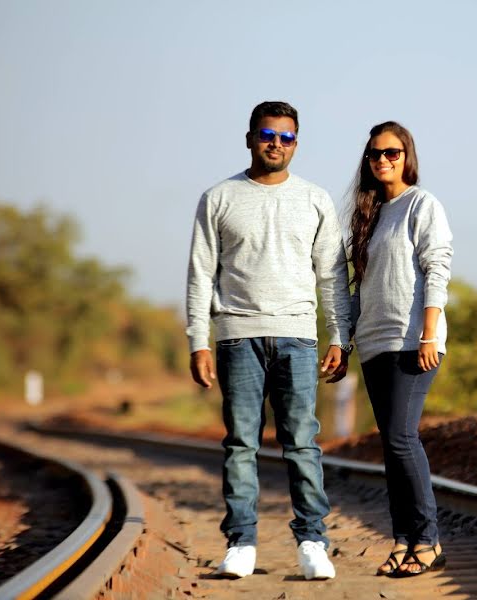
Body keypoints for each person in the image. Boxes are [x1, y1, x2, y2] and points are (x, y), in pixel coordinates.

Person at [185, 100, 353, 580]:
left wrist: (339, 336)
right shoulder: (219, 198)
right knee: (241, 444)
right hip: (238, 337)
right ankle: (241, 544)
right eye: (267, 134)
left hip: (298, 337)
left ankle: (313, 542)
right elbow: (200, 274)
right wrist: (199, 338)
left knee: (302, 443)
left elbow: (332, 278)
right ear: (249, 138)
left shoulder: (315, 199)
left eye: (286, 137)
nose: (276, 144)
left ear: (296, 143)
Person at [347, 121, 453, 577]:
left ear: (406, 155)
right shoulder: (368, 215)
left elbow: (437, 269)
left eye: (392, 152)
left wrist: (429, 333)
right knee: (391, 446)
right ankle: (402, 539)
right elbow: (361, 287)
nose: (383, 160)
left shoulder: (421, 204)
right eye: (375, 154)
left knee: (401, 437)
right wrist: (345, 339)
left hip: (413, 342)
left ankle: (428, 540)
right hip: (375, 343)